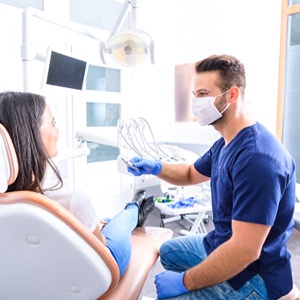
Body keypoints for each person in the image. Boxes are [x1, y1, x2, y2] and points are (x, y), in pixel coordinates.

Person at [127, 54, 296, 299]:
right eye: (195, 95)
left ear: (232, 95)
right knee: (166, 252)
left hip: (252, 275)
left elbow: (244, 252)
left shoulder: (258, 160)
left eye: (204, 94)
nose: (196, 102)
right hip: (221, 242)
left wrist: (185, 282)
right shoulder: (225, 144)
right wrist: (155, 168)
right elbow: (188, 173)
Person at [0, 91, 155, 278]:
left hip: (37, 280)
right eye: (53, 123)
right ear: (30, 135)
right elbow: (102, 249)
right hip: (96, 277)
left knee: (104, 219)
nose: (58, 131)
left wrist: (88, 223)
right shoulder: (73, 200)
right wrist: (92, 228)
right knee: (120, 222)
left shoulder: (9, 204)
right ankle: (134, 209)